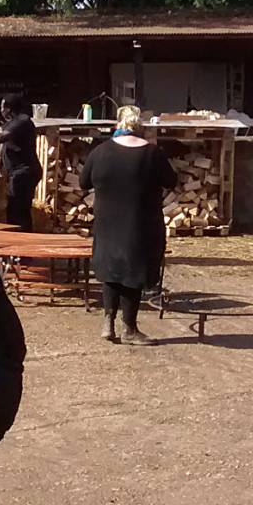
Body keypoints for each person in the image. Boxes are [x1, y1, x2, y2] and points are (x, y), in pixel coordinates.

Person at [80, 105, 177, 346]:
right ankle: (129, 329)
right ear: (139, 126)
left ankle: (108, 322)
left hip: (107, 223)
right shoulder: (152, 154)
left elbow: (83, 182)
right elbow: (171, 180)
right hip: (140, 223)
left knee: (111, 270)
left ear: (118, 124)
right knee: (133, 272)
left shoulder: (101, 152)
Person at [0, 93, 41, 230]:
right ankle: (19, 235)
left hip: (24, 172)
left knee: (18, 211)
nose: (0, 110)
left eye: (2, 107)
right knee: (14, 209)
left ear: (9, 108)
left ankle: (22, 237)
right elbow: (3, 146)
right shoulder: (11, 124)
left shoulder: (22, 121)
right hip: (17, 173)